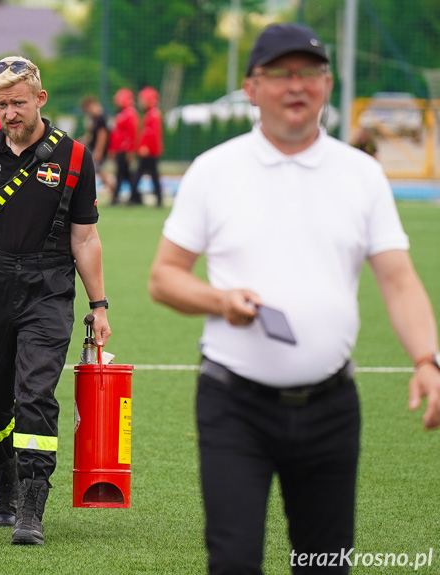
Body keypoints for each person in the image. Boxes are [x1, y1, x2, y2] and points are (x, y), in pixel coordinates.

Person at [147, 23, 440, 575]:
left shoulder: (362, 175)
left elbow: (399, 280)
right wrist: (219, 299)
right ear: (253, 87)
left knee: (325, 564)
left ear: (327, 84)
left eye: (308, 72)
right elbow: (165, 277)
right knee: (233, 562)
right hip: (234, 404)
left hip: (332, 406)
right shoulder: (215, 170)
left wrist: (428, 360)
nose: (295, 85)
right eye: (280, 73)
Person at [0, 56, 111, 546]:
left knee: (35, 395)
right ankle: (3, 476)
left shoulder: (75, 158)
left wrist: (100, 305)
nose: (8, 113)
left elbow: (86, 239)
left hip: (48, 287)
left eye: (17, 103)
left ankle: (33, 504)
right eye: (0, 104)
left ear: (40, 99)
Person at [108, 88, 140, 205]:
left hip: (124, 149)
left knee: (121, 174)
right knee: (125, 174)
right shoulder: (122, 113)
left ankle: (117, 198)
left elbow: (132, 133)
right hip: (119, 149)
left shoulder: (129, 113)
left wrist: (130, 151)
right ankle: (135, 197)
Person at [134, 86, 164, 208]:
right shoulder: (151, 114)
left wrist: (146, 147)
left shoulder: (153, 115)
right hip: (150, 151)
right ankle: (157, 199)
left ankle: (135, 197)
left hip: (149, 152)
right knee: (151, 175)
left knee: (144, 174)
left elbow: (152, 134)